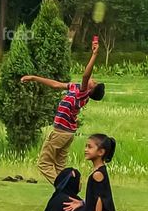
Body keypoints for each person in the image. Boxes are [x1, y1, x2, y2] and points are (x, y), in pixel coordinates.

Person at [21, 37, 105, 184]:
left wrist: (94, 55)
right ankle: (72, 189)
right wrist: (34, 78)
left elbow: (86, 75)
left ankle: (64, 189)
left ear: (90, 89)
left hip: (60, 132)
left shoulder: (82, 92)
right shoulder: (76, 88)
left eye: (94, 82)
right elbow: (55, 84)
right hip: (68, 133)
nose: (93, 79)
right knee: (60, 167)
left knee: (44, 164)